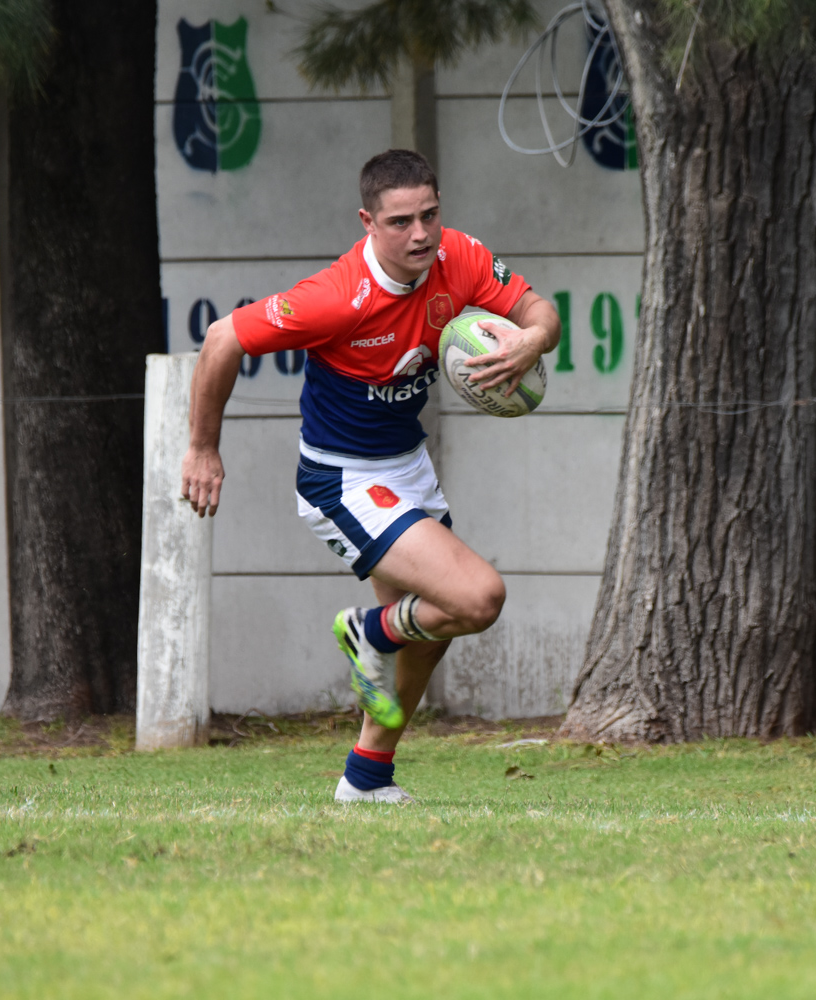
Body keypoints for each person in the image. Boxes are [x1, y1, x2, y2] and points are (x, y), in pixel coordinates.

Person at [182, 149, 560, 803]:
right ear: (367, 222)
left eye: (429, 215)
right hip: (343, 481)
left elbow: (538, 310)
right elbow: (221, 340)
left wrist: (531, 341)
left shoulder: (459, 259)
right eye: (400, 221)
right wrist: (202, 449)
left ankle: (365, 781)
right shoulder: (335, 299)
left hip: (407, 468)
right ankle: (365, 632)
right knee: (476, 599)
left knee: (428, 632)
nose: (419, 234)